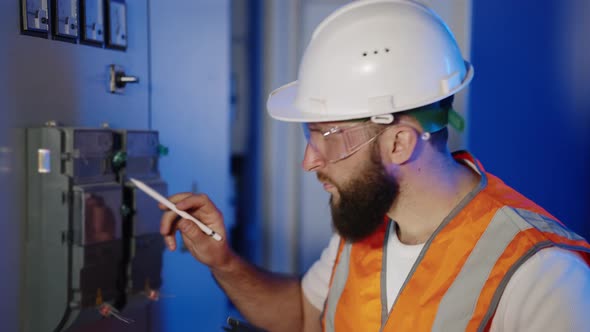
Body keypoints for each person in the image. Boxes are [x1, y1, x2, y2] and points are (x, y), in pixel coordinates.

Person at [160, 1, 590, 331]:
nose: (309, 161)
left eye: (326, 138)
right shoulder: (365, 224)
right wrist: (225, 262)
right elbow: (305, 316)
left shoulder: (545, 276)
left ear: (399, 142)